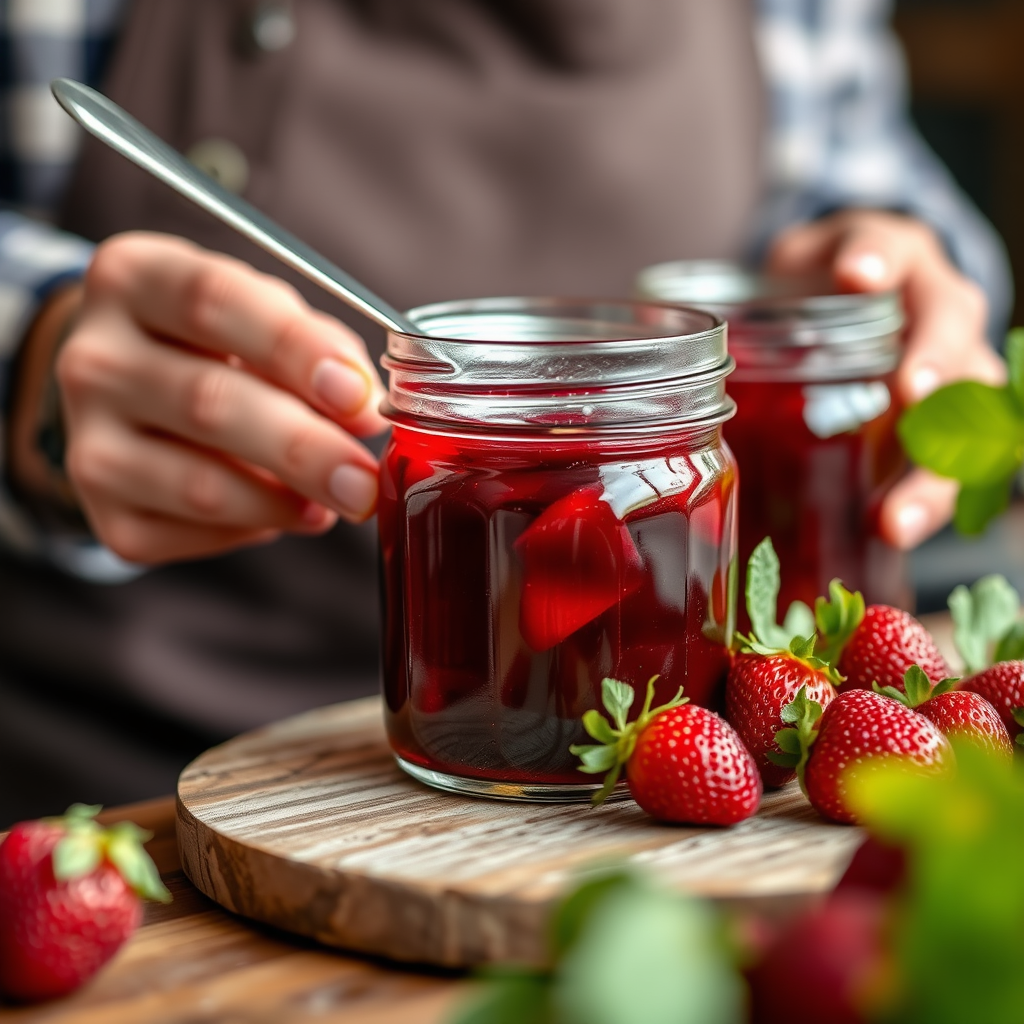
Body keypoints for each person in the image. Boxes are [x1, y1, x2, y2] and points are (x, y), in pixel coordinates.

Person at [0, 0, 1011, 824]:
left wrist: (892, 265)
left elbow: (851, 165)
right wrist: (30, 356)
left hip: (649, 806)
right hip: (109, 767)